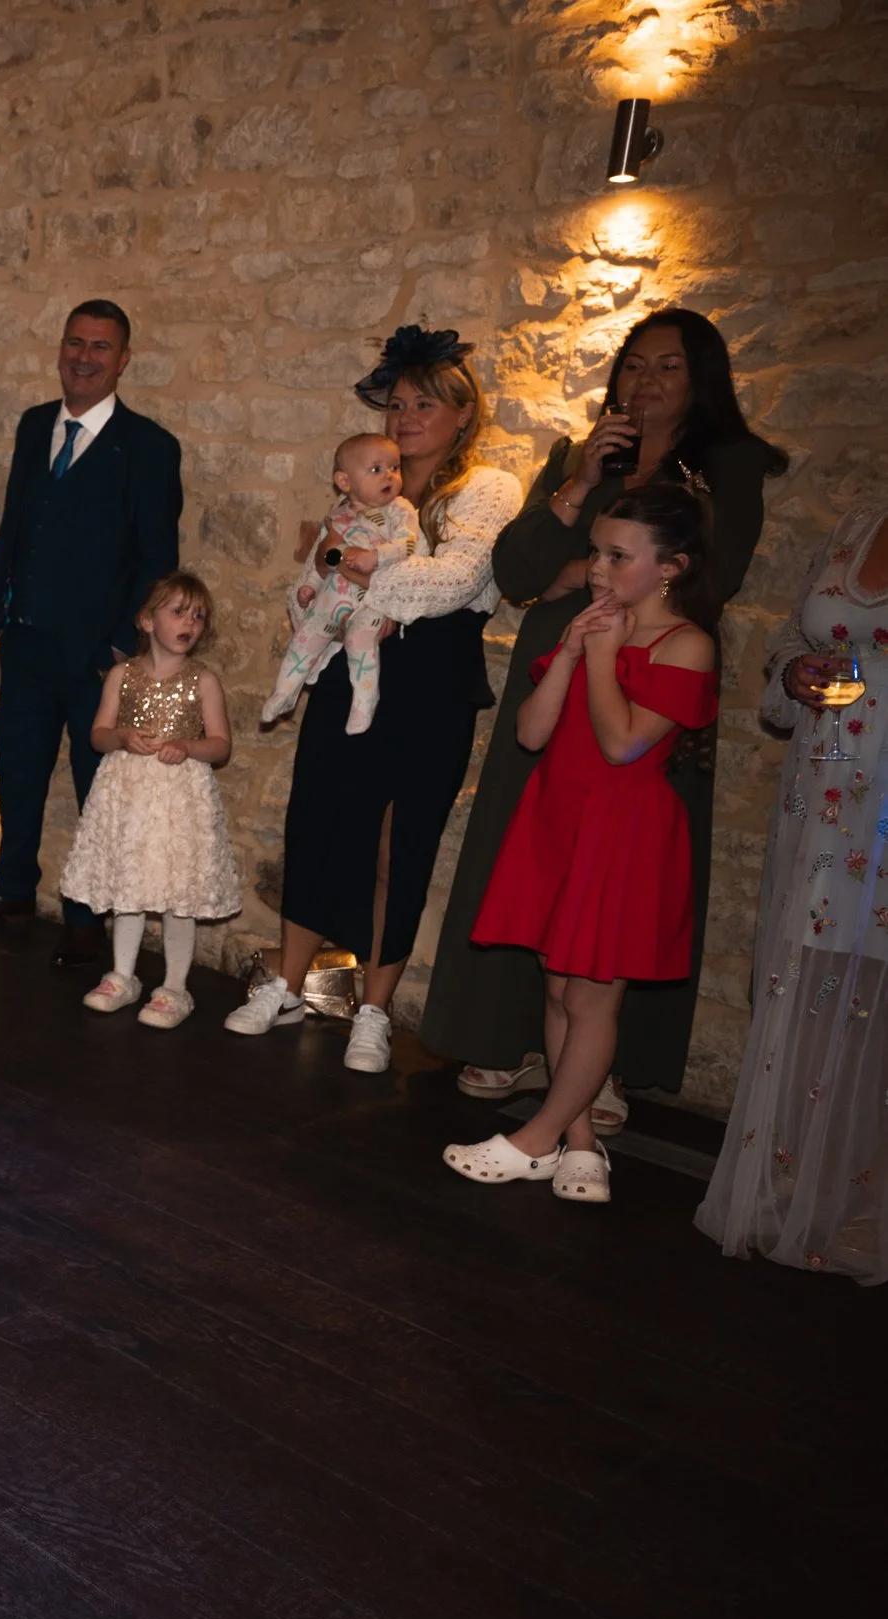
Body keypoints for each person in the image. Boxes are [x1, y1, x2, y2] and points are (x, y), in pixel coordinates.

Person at [419, 308, 787, 1112]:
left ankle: (600, 1069)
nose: (645, 383)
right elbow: (518, 570)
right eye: (633, 365)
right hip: (555, 670)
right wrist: (582, 483)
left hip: (648, 683)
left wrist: (582, 566)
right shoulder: (575, 456)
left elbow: (712, 577)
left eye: (668, 368)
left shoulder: (725, 462)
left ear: (701, 382)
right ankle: (508, 1039)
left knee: (614, 881)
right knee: (534, 858)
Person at [223, 326, 523, 1070]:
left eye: (425, 404)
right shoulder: (363, 482)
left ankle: (375, 1009)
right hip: (345, 675)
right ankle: (286, 985)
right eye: (397, 404)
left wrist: (352, 572)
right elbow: (315, 583)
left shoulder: (487, 488)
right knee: (317, 820)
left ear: (463, 414)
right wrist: (336, 578)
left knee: (401, 845)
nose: (405, 417)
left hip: (432, 682)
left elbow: (453, 581)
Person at [442, 485, 720, 1206]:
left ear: (671, 566)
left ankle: (534, 1138)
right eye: (595, 550)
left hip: (621, 830)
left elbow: (624, 741)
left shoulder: (685, 643)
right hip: (558, 817)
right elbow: (532, 733)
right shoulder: (591, 626)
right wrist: (569, 651)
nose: (597, 568)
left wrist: (602, 654)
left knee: (595, 997)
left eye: (617, 555)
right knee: (560, 985)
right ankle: (579, 1146)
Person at [0, 301, 182, 966]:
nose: (84, 356)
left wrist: (119, 650)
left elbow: (156, 559)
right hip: (24, 643)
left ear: (123, 360)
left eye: (100, 347)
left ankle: (84, 920)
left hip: (97, 659)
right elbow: (14, 528)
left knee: (93, 789)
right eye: (75, 342)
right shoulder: (33, 425)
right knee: (16, 776)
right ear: (61, 348)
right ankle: (14, 891)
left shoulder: (150, 447)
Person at [696, 499, 888, 1280]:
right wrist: (796, 671)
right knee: (810, 978)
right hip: (827, 785)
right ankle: (796, 1189)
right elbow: (792, 637)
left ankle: (864, 1208)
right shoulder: (855, 521)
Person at [63, 573, 240, 1029]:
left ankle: (175, 988)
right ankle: (123, 976)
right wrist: (122, 736)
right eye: (178, 612)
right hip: (130, 792)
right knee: (131, 883)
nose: (190, 623)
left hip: (179, 796)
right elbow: (97, 735)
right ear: (146, 620)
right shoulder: (122, 675)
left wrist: (188, 746)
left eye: (198, 616)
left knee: (175, 887)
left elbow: (220, 744)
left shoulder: (203, 681)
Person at [261, 433, 421, 735]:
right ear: (345, 482)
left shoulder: (400, 510)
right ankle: (283, 693)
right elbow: (322, 553)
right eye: (376, 469)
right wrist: (311, 582)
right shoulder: (338, 514)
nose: (389, 475)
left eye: (394, 468)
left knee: (360, 645)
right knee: (305, 640)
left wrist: (375, 557)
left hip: (370, 599)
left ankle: (363, 704)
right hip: (332, 596)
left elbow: (406, 545)